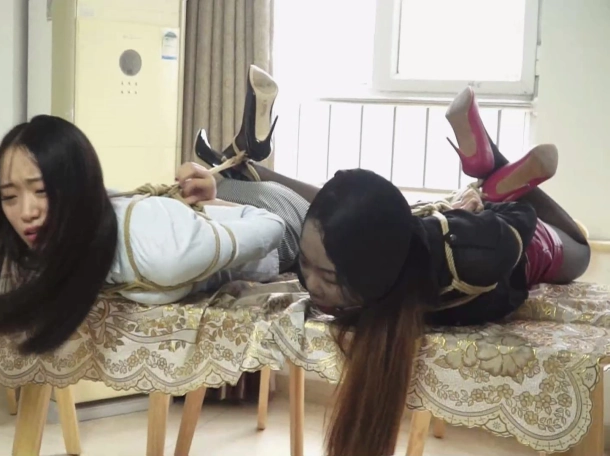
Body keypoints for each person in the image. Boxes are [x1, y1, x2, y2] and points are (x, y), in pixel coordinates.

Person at [196, 86, 590, 456]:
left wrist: (483, 207)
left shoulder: (474, 256)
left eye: (329, 277)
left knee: (580, 248)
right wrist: (219, 185)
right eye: (306, 264)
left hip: (513, 240)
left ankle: (493, 175)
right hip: (430, 223)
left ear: (373, 273)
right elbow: (314, 210)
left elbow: (521, 218)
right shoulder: (337, 254)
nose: (311, 285)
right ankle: (247, 167)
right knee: (344, 213)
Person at [0, 110, 292, 358]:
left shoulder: (159, 250)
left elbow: (273, 225)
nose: (26, 211)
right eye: (10, 197)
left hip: (278, 226)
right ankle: (229, 166)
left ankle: (237, 165)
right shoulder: (52, 241)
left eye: (41, 190)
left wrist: (218, 197)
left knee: (303, 196)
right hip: (199, 218)